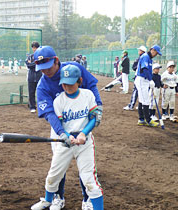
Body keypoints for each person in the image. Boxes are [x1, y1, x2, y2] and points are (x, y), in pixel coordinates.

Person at [33, 46, 103, 210]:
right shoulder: (42, 86)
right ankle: (57, 197)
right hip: (60, 129)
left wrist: (97, 106)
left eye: (48, 67)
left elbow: (91, 85)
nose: (46, 72)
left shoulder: (74, 69)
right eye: (41, 69)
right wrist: (61, 133)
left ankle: (87, 199)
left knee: (86, 171)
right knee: (57, 168)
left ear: (56, 61)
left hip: (82, 125)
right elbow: (50, 114)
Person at [134, 45, 162, 127]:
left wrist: (149, 80)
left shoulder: (149, 58)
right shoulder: (146, 56)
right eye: (156, 52)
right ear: (152, 50)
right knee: (145, 100)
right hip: (142, 79)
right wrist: (150, 80)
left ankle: (141, 119)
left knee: (142, 99)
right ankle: (148, 120)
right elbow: (145, 69)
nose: (156, 54)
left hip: (144, 80)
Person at [123, 46, 147, 110]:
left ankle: (131, 105)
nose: (138, 51)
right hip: (144, 77)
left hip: (139, 76)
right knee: (142, 92)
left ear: (142, 51)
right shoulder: (146, 58)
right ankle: (141, 105)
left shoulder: (141, 58)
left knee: (136, 91)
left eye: (139, 50)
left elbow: (134, 67)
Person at [25, 41, 42, 113]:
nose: (34, 49)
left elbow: (39, 64)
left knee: (40, 92)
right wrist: (35, 63)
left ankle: (41, 106)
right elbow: (28, 66)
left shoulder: (41, 56)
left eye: (36, 47)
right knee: (31, 93)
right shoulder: (30, 56)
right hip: (31, 77)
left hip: (39, 77)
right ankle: (32, 107)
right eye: (33, 47)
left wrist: (32, 63)